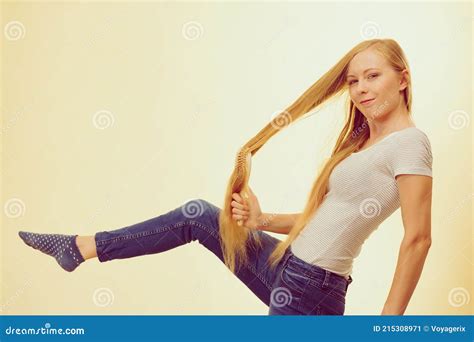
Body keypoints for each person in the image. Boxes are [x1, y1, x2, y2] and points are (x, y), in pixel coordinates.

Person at [18, 38, 433, 316]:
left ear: (403, 78)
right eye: (354, 81)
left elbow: (417, 239)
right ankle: (80, 247)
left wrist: (387, 328)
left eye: (373, 76)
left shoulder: (410, 145)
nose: (360, 89)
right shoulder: (361, 143)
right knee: (197, 215)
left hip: (312, 290)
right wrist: (262, 220)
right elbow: (328, 214)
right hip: (284, 262)